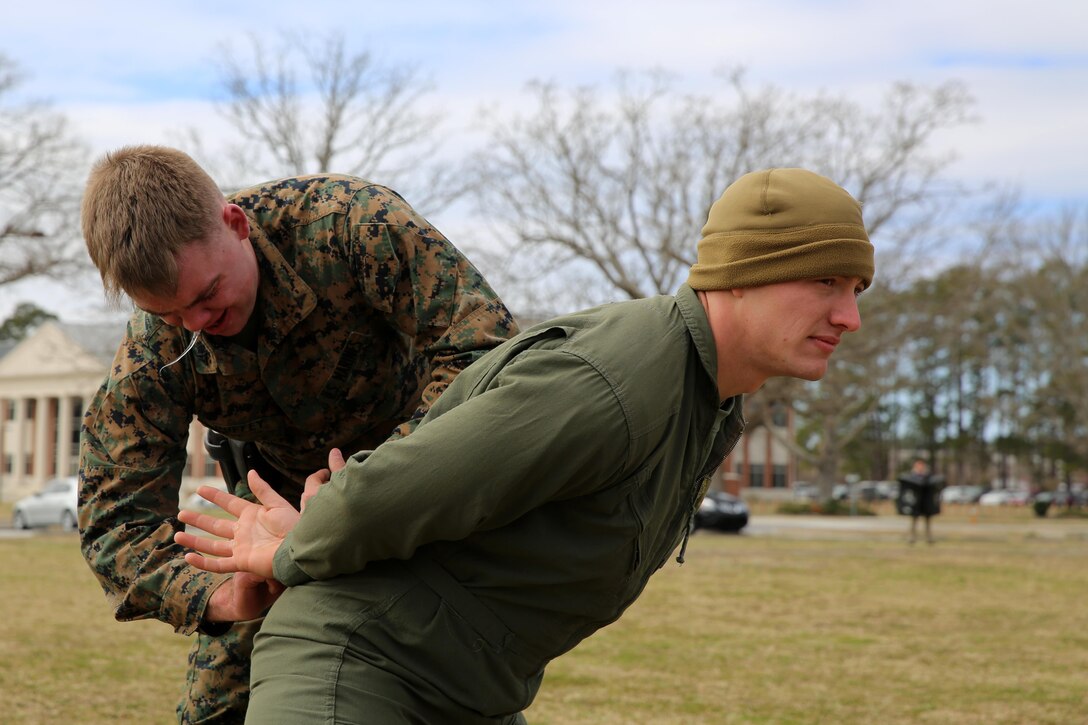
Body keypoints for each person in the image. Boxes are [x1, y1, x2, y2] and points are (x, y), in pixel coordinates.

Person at [176, 167, 875, 723]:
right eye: (824, 282)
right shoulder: (619, 380)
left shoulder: (702, 396)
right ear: (744, 275)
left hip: (466, 691)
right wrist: (288, 550)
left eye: (854, 288)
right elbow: (415, 479)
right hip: (363, 670)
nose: (849, 315)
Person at [77, 145, 518, 724]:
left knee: (455, 690)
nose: (196, 327)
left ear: (235, 225)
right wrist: (216, 595)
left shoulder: (352, 225)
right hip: (277, 538)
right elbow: (113, 518)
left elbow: (485, 351)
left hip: (421, 493)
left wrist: (365, 490)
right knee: (218, 710)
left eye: (207, 295)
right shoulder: (155, 351)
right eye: (170, 314)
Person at [897, 458, 944, 544]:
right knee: (914, 521)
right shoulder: (911, 477)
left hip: (926, 503)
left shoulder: (928, 477)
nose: (920, 467)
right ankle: (912, 538)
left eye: (921, 466)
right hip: (916, 503)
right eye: (918, 466)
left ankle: (929, 538)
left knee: (927, 522)